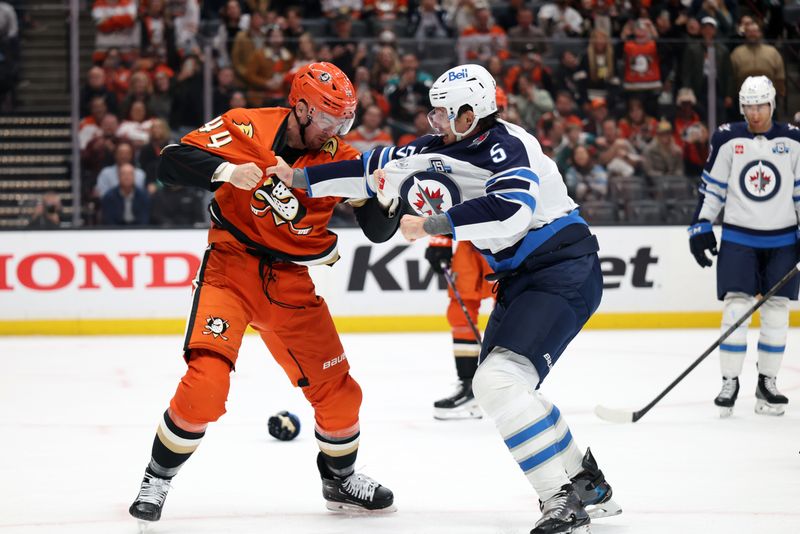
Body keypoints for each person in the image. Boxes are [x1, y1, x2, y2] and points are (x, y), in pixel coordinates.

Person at [268, 64, 621, 534]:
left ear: (470, 113)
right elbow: (370, 171)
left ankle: (560, 499)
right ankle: (584, 482)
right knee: (505, 384)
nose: (433, 123)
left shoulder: (510, 147)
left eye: (442, 114)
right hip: (525, 277)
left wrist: (433, 225)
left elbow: (512, 214)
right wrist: (296, 178)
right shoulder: (439, 146)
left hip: (563, 267)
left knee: (499, 382)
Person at [128, 62, 396, 528]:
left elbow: (376, 229)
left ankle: (339, 480)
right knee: (206, 387)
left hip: (291, 281)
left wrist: (390, 196)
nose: (337, 131)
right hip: (230, 268)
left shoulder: (340, 157)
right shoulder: (246, 126)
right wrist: (227, 171)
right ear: (302, 106)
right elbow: (170, 162)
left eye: (344, 121)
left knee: (341, 395)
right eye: (330, 119)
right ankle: (157, 477)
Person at [688, 75, 800, 418]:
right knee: (736, 309)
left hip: (783, 240)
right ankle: (730, 381)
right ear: (741, 106)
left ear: (772, 104)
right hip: (739, 237)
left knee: (777, 311)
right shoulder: (727, 137)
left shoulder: (794, 140)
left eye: (760, 106)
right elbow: (713, 190)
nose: (755, 113)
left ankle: (767, 383)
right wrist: (701, 224)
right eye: (749, 106)